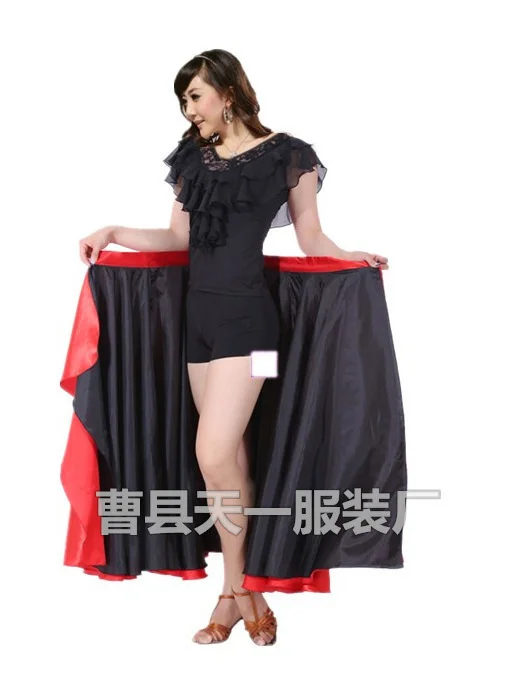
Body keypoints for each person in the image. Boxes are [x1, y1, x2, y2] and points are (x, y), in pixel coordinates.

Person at [78, 48, 389, 646]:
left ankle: (241, 588)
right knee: (230, 458)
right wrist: (113, 231)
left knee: (212, 451)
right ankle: (237, 591)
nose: (188, 110)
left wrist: (353, 258)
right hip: (199, 324)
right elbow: (177, 237)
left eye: (195, 96)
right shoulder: (191, 158)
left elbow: (312, 236)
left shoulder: (288, 155)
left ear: (226, 91)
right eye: (183, 101)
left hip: (251, 327)